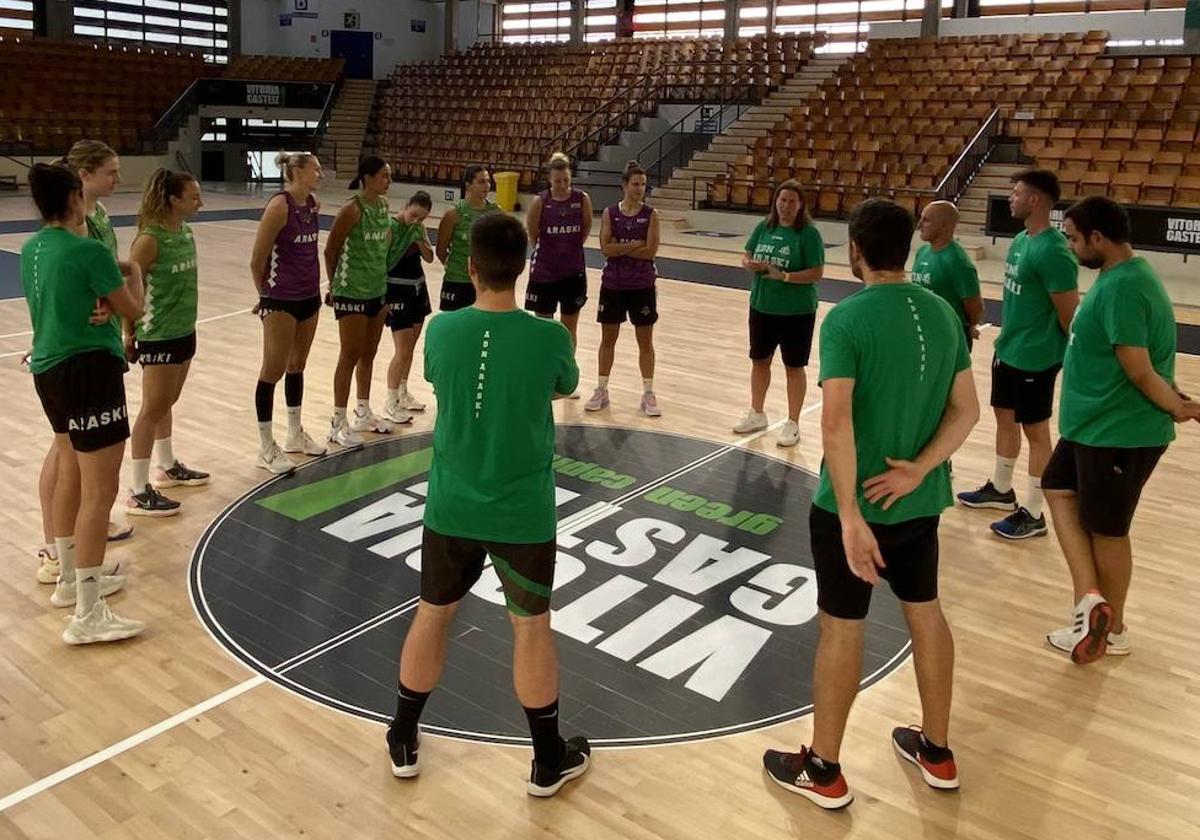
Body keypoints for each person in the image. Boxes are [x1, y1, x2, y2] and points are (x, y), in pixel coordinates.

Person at [763, 199, 979, 809]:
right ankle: (936, 751)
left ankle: (825, 770)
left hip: (849, 513)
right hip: (920, 503)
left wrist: (854, 518)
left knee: (841, 628)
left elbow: (835, 426)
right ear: (905, 249)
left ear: (855, 249)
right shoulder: (941, 313)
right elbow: (968, 411)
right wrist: (920, 470)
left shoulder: (846, 320)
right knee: (926, 616)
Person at [386, 213, 589, 797]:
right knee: (530, 629)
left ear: (470, 267)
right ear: (523, 268)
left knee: (432, 613)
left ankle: (403, 736)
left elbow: (437, 380)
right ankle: (547, 760)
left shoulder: (442, 331)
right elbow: (564, 386)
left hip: (451, 506)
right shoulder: (550, 336)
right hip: (521, 513)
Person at [1043, 196, 1199, 663]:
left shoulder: (1125, 287)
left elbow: (1138, 368)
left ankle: (1114, 631)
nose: (1070, 247)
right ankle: (1091, 601)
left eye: (1073, 238)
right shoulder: (1121, 278)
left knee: (1108, 531)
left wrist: (1179, 407)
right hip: (1091, 426)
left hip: (1119, 432)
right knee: (1056, 488)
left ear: (1098, 238)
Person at [22, 162, 146, 643]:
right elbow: (134, 310)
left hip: (48, 368)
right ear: (76, 196)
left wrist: (99, 295)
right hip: (89, 371)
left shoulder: (32, 249)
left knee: (73, 470)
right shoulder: (90, 249)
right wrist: (132, 274)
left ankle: (72, 579)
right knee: (100, 492)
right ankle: (88, 614)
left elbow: (61, 295)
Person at [958, 170, 1079, 540]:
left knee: (1037, 432)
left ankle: (1035, 512)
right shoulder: (1022, 240)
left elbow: (1068, 314)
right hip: (1009, 349)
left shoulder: (1055, 252)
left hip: (1036, 357)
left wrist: (1052, 351)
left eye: (1017, 192)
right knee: (1004, 419)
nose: (1010, 197)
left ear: (1036, 200)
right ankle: (1001, 488)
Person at [34, 140, 132, 585]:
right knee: (82, 470)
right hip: (84, 359)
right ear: (81, 181)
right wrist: (131, 287)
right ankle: (68, 567)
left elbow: (94, 278)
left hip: (56, 355)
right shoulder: (79, 241)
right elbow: (126, 299)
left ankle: (68, 557)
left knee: (70, 455)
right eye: (109, 172)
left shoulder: (44, 243)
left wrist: (108, 293)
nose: (116, 179)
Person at [125, 168, 208, 516]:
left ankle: (167, 465)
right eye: (193, 197)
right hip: (157, 334)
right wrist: (129, 334)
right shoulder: (149, 240)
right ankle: (138, 489)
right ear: (173, 200)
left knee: (167, 402)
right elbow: (130, 286)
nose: (200, 202)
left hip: (183, 330)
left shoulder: (185, 232)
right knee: (152, 408)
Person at [250, 151, 328, 474]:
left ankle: (294, 433)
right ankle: (266, 447)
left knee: (298, 365)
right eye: (315, 169)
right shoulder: (279, 206)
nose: (320, 174)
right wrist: (264, 296)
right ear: (296, 171)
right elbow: (257, 259)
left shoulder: (312, 204)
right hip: (281, 298)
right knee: (273, 369)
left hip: (309, 296)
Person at [732, 179, 824, 447]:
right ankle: (757, 412)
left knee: (793, 367)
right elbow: (747, 254)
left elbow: (816, 273)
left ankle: (793, 422)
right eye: (782, 200)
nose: (785, 206)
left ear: (800, 205)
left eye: (791, 201)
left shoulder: (808, 234)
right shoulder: (765, 226)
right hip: (762, 305)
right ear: (775, 202)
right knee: (759, 360)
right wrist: (750, 263)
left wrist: (783, 275)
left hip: (797, 311)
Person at [324, 156, 400, 446]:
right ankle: (337, 421)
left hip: (376, 290)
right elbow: (330, 250)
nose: (389, 181)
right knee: (350, 354)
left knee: (369, 351)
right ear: (367, 178)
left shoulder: (382, 206)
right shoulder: (351, 210)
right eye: (384, 176)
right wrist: (334, 285)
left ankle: (363, 411)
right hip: (351, 291)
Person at [584, 161, 662, 417]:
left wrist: (621, 246)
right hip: (613, 284)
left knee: (645, 342)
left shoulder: (651, 215)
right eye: (636, 184)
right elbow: (605, 249)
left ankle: (648, 393)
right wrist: (634, 245)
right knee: (608, 340)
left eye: (643, 184)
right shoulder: (609, 213)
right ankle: (602, 388)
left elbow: (650, 251)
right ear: (624, 185)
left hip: (642, 285)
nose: (640, 189)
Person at [525, 152, 592, 355]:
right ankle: (545, 366)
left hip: (573, 272)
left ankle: (567, 367)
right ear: (549, 179)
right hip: (544, 273)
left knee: (569, 326)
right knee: (544, 327)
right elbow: (533, 235)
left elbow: (585, 230)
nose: (562, 185)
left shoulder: (581, 199)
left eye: (566, 180)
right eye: (557, 181)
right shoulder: (540, 202)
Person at [382, 191, 435, 422]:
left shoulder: (419, 230)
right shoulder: (391, 227)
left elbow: (430, 257)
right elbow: (381, 262)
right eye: (413, 215)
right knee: (401, 350)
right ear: (406, 206)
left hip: (418, 289)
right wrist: (383, 299)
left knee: (410, 348)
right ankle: (390, 401)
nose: (416, 221)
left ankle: (403, 393)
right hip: (396, 290)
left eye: (421, 219)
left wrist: (419, 239)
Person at [912, 201, 983, 351]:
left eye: (926, 220)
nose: (919, 225)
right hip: (924, 331)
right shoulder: (922, 252)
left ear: (944, 225)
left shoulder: (958, 262)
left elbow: (974, 307)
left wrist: (970, 326)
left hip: (948, 338)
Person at [437, 164, 496, 312]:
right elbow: (441, 250)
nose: (487, 186)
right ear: (468, 184)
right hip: (456, 281)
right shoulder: (453, 214)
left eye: (488, 181)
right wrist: (456, 268)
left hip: (484, 283)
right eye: (481, 182)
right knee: (452, 330)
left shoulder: (495, 213)